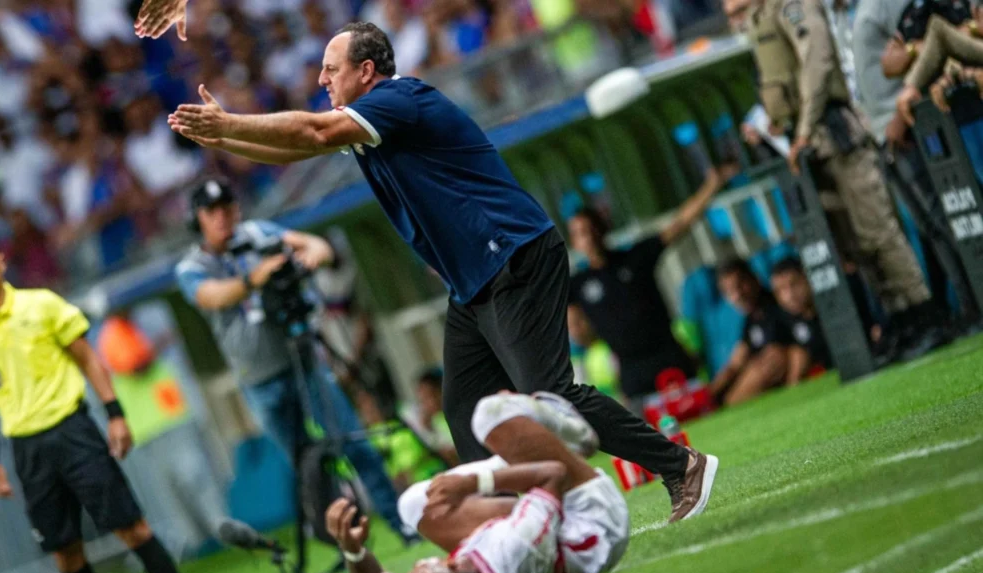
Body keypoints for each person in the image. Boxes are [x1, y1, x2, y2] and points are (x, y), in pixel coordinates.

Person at [161, 21, 714, 521]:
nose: (323, 81)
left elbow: (313, 133)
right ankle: (511, 525)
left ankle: (679, 465)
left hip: (511, 255)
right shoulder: (371, 123)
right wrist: (223, 138)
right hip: (474, 281)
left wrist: (230, 120)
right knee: (466, 408)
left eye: (332, 70)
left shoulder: (399, 100)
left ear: (367, 71)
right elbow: (295, 151)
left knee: (552, 394)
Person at [0, 232, 212, 573]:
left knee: (133, 528)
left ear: (2, 262)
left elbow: (88, 358)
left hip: (74, 430)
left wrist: (114, 414)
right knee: (66, 554)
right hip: (28, 450)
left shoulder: (41, 303)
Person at [172, 178, 414, 571]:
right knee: (308, 466)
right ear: (197, 219)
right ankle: (344, 549)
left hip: (304, 358)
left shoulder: (258, 233)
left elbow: (317, 245)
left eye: (228, 207)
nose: (223, 218)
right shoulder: (191, 267)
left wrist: (308, 259)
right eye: (212, 212)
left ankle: (400, 524)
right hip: (260, 378)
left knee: (351, 443)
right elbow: (211, 297)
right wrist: (257, 277)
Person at [325, 391, 645, 573]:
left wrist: (352, 551)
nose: (418, 565)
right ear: (456, 569)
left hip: (549, 537)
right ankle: (570, 440)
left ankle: (526, 451)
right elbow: (553, 475)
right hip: (597, 523)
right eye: (424, 571)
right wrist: (474, 483)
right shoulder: (515, 548)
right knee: (491, 414)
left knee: (414, 505)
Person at [743, 0, 943, 359]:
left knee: (877, 228)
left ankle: (924, 312)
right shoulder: (761, 13)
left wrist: (803, 129)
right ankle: (899, 318)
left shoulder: (792, 4)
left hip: (831, 130)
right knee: (856, 244)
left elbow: (818, 61)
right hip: (808, 141)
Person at [854, 0, 980, 333]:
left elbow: (940, 39)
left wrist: (911, 92)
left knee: (954, 213)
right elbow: (893, 60)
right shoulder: (905, 9)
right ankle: (971, 303)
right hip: (945, 112)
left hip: (955, 113)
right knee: (942, 221)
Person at [566, 165, 735, 405]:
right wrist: (582, 332)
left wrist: (713, 185)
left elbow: (679, 225)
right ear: (574, 241)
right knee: (648, 437)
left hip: (671, 359)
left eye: (591, 228)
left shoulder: (636, 258)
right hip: (633, 378)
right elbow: (571, 324)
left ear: (603, 228)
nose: (589, 236)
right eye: (580, 233)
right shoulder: (577, 284)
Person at [709, 259, 791, 405]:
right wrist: (708, 394)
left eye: (740, 285)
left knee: (768, 363)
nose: (737, 295)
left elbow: (776, 357)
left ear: (755, 279)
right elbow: (735, 363)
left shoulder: (779, 303)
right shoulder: (750, 319)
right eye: (728, 291)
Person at [769, 257, 833, 384]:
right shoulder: (782, 318)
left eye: (794, 284)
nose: (789, 295)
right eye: (781, 289)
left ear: (808, 279)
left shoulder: (833, 305)